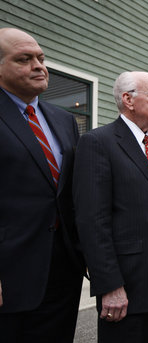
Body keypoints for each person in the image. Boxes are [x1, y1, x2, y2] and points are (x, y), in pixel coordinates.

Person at [73, 71, 148, 343]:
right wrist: (110, 285)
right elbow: (92, 220)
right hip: (128, 290)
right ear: (128, 100)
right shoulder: (98, 142)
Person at [0, 28, 85, 342]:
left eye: (41, 58)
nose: (38, 66)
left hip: (63, 270)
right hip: (10, 273)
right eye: (24, 59)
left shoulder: (63, 120)